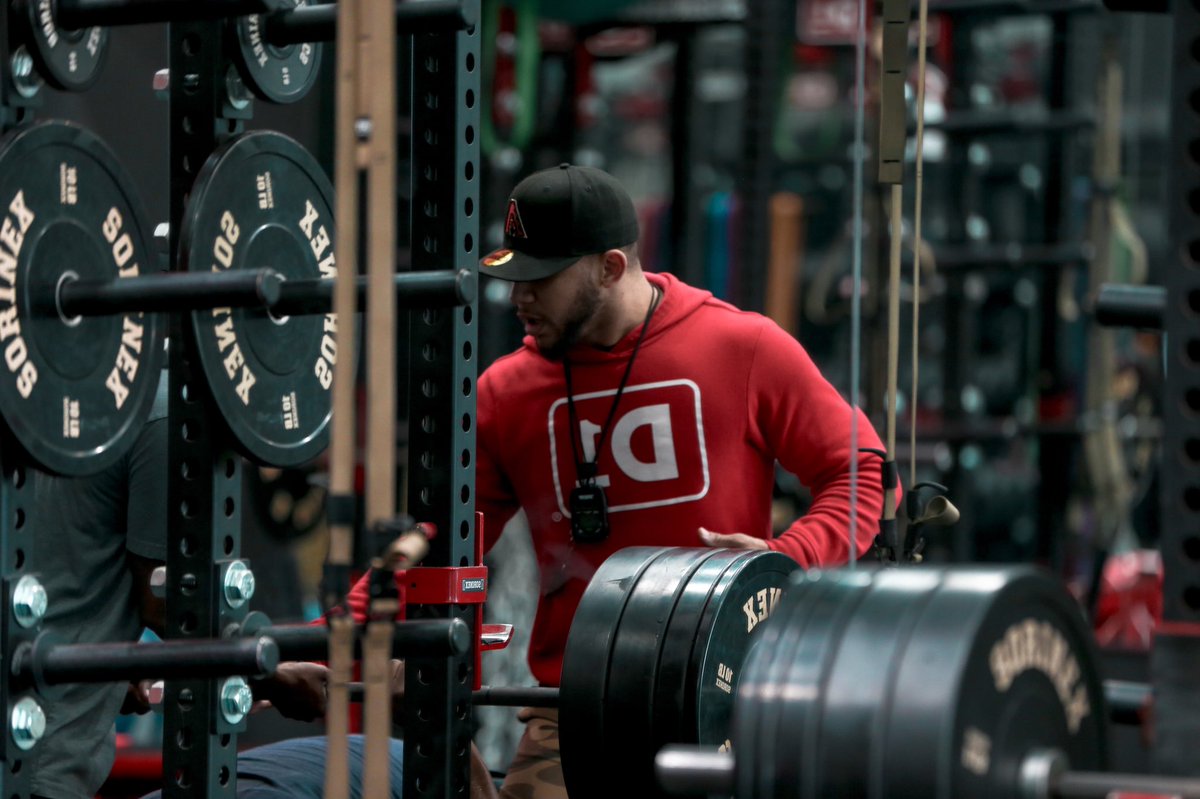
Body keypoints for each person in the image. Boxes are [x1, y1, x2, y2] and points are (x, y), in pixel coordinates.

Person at [474, 163, 890, 798]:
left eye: (540, 279)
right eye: (514, 278)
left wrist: (787, 562)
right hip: (575, 710)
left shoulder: (741, 347)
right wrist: (339, 646)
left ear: (610, 267)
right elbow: (439, 538)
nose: (518, 298)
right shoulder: (505, 393)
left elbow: (863, 471)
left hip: (730, 696)